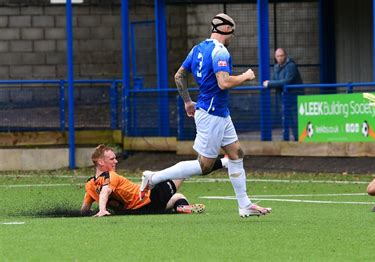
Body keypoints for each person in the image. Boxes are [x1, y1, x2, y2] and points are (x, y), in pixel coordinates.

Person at [140, 13, 271, 218]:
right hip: (212, 114)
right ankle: (153, 178)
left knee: (236, 154)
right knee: (204, 165)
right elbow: (223, 83)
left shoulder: (197, 48)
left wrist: (187, 101)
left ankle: (244, 204)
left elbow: (179, 75)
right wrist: (246, 76)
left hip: (218, 112)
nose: (232, 38)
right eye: (233, 33)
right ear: (226, 30)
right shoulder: (220, 52)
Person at [80, 144, 205, 217]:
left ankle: (181, 207)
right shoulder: (111, 176)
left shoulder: (89, 184)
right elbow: (105, 191)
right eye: (112, 159)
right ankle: (219, 161)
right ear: (101, 162)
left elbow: (84, 210)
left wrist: (85, 213)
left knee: (177, 197)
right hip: (151, 199)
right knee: (182, 171)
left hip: (141, 210)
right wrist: (102, 210)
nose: (116, 161)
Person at [263, 48, 303, 141]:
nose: (280, 58)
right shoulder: (276, 67)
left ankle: (299, 140)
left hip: (294, 98)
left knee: (295, 120)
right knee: (286, 120)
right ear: (275, 57)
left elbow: (286, 81)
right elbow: (275, 80)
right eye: (278, 56)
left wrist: (269, 84)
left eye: (281, 56)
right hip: (284, 98)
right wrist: (272, 83)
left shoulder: (291, 66)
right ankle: (286, 140)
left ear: (285, 56)